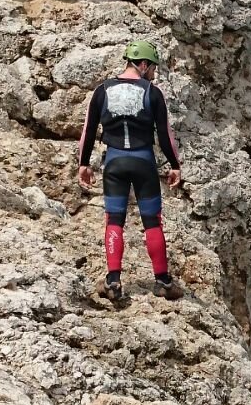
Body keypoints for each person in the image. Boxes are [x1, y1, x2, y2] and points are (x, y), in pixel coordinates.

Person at [76, 40, 184, 303]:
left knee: (114, 220)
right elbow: (165, 135)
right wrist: (175, 165)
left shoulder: (102, 91)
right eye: (153, 68)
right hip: (143, 161)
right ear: (143, 65)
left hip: (114, 161)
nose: (154, 73)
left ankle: (113, 280)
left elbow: (88, 130)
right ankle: (163, 281)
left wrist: (84, 163)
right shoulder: (153, 92)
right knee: (152, 222)